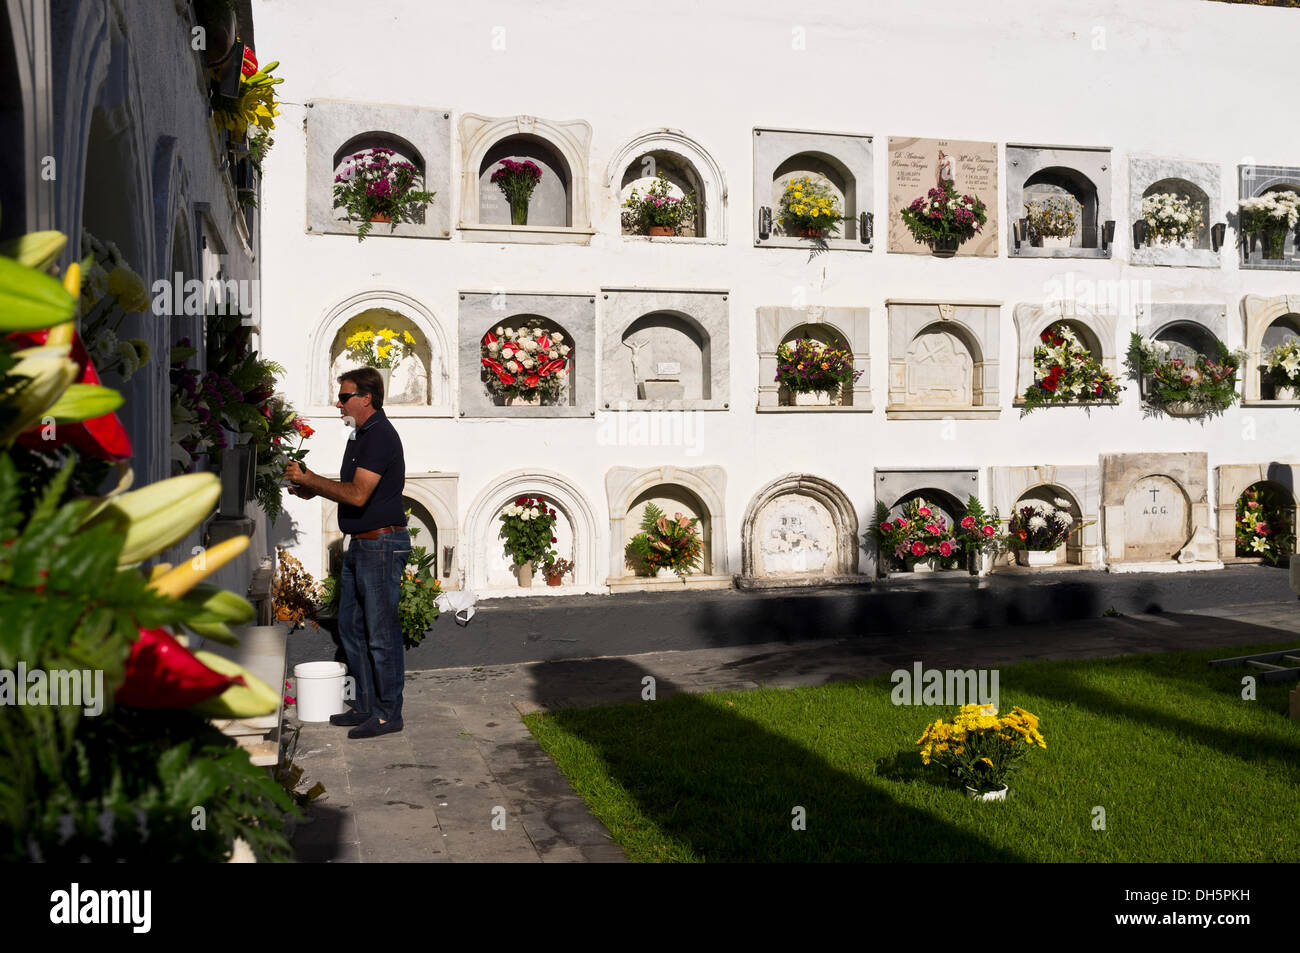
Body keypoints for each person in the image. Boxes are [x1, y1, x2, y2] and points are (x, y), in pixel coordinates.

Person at [285, 368, 409, 739]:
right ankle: (367, 706)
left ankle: (389, 714)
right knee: (352, 628)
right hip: (363, 543)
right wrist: (313, 489)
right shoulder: (360, 436)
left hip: (382, 544)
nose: (338, 403)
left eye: (344, 396)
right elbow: (349, 489)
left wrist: (310, 479)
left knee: (381, 632)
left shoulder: (380, 436)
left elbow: (358, 495)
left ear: (366, 398)